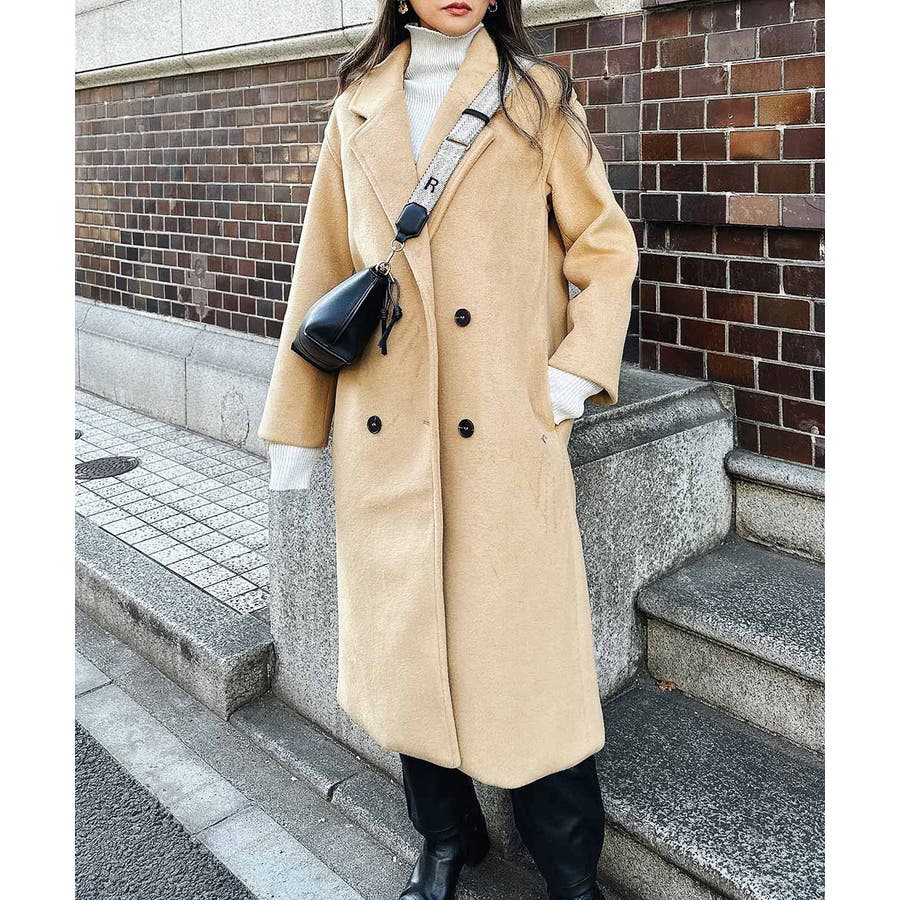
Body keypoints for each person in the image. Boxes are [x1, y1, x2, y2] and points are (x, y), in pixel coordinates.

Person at [258, 2, 639, 898]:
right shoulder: (357, 105)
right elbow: (321, 270)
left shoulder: (534, 96)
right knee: (409, 654)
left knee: (530, 664)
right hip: (387, 432)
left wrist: (570, 375)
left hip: (503, 434)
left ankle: (570, 872)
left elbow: (603, 244)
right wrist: (298, 426)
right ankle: (444, 838)